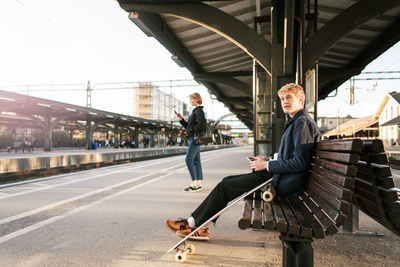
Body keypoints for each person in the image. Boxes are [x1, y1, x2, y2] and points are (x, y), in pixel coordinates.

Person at [165, 83, 319, 240]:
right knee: (226, 182)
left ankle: (193, 223)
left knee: (226, 186)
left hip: (282, 181)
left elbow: (300, 162)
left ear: (300, 99)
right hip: (280, 175)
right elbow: (291, 156)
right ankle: (200, 225)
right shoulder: (296, 121)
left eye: (288, 97)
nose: (284, 101)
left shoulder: (302, 123)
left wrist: (266, 165)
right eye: (282, 98)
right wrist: (268, 159)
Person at [175, 93, 207, 192]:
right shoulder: (196, 111)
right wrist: (181, 119)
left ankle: (194, 184)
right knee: (196, 161)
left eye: (191, 99)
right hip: (193, 138)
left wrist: (192, 130)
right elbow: (189, 126)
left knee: (188, 160)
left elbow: (202, 126)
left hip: (195, 139)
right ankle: (198, 183)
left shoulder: (199, 111)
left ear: (196, 99)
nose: (190, 101)